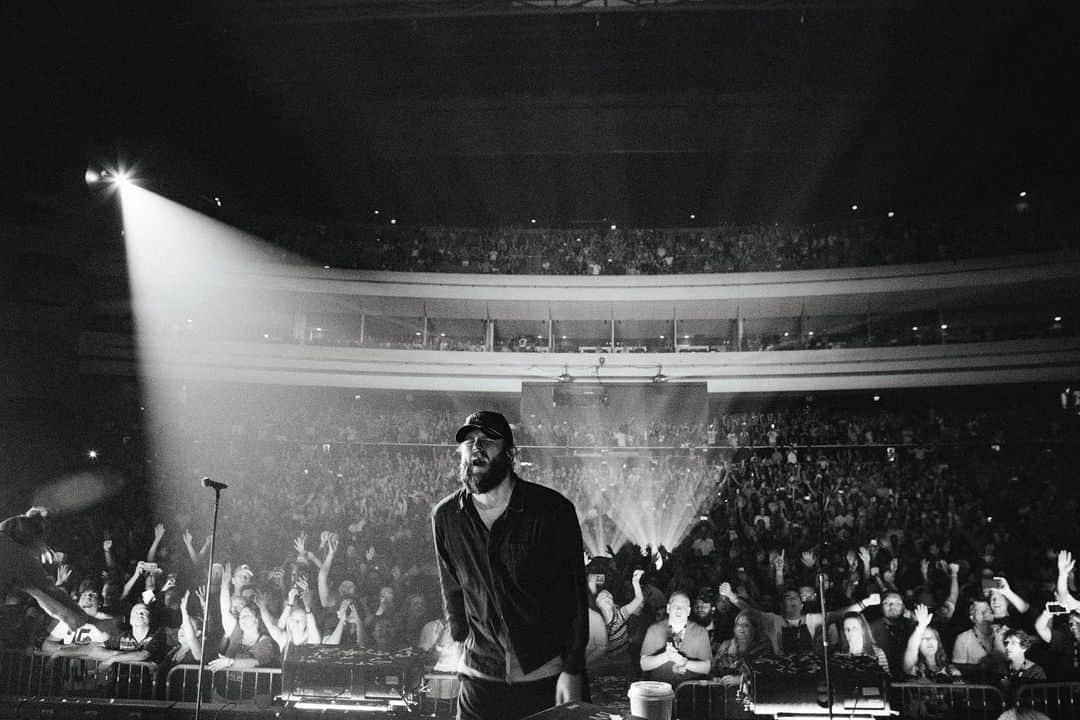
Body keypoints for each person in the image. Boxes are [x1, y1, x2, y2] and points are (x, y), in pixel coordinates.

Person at [432, 411, 588, 720]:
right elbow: (452, 588)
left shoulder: (552, 511)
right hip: (480, 678)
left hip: (543, 677)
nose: (476, 448)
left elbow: (574, 599)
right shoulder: (447, 517)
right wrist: (460, 638)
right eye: (470, 442)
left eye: (488, 441)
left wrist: (572, 669)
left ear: (510, 453)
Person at [639, 590, 712, 688]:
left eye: (683, 606)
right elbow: (644, 664)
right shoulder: (654, 629)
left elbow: (706, 667)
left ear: (689, 611)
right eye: (675, 606)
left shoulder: (701, 632)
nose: (679, 609)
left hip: (689, 691)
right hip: (659, 690)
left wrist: (683, 662)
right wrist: (666, 656)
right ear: (668, 608)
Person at [712, 609, 772, 686]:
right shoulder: (726, 645)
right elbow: (715, 669)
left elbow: (766, 676)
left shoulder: (763, 646)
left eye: (746, 625)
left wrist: (741, 679)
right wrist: (717, 678)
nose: (740, 629)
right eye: (738, 625)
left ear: (755, 628)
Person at [902, 604, 962, 681]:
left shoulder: (949, 669)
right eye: (924, 638)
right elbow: (911, 649)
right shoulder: (914, 668)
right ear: (917, 644)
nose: (929, 640)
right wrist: (921, 627)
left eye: (932, 637)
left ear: (938, 642)